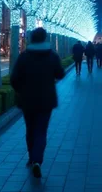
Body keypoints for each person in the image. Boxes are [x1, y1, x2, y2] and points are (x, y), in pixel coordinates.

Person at [11, 27, 65, 179]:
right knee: (41, 130)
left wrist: (20, 89)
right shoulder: (52, 55)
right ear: (45, 38)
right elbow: (60, 73)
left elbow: (14, 79)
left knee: (30, 129)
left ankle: (31, 157)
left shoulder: (24, 57)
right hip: (46, 100)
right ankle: (37, 161)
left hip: (27, 100)